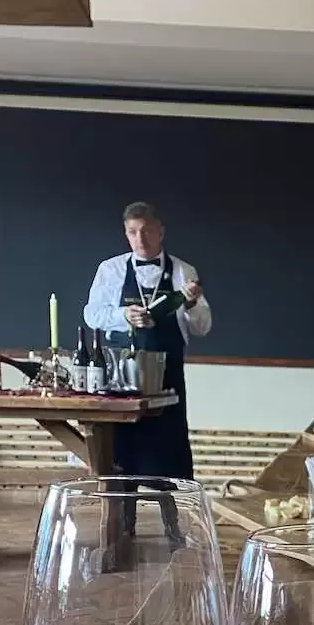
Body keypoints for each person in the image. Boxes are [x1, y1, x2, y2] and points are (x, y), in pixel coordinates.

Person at [84, 201, 211, 481]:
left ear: (160, 232)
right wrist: (122, 315)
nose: (140, 239)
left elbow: (203, 327)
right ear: (125, 233)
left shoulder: (184, 271)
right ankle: (121, 509)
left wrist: (191, 304)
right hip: (121, 382)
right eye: (133, 232)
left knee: (170, 457)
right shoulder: (110, 269)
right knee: (120, 456)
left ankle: (173, 509)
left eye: (146, 231)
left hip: (168, 380)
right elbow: (92, 315)